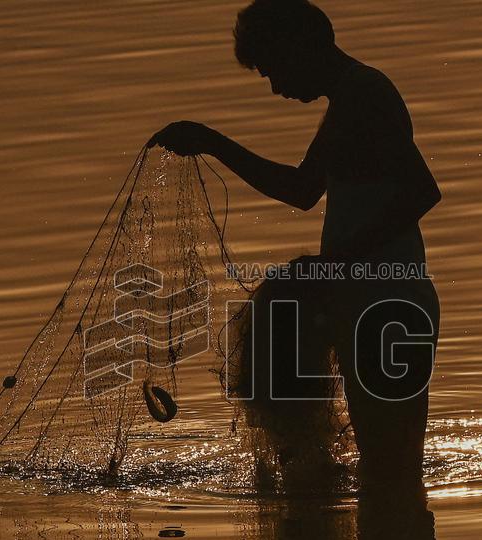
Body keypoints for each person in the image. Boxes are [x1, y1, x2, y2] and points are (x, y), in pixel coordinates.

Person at [150, 0, 442, 498]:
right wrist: (210, 142)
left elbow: (421, 191)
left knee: (392, 477)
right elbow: (302, 190)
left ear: (302, 46)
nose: (276, 87)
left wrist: (335, 264)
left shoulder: (366, 94)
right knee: (383, 474)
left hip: (391, 307)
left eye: (273, 69)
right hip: (365, 307)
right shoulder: (348, 101)